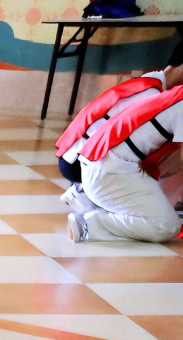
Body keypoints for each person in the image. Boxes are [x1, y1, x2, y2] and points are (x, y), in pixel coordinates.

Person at [67, 63, 183, 243]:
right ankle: (89, 224)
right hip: (108, 173)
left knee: (165, 196)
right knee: (168, 225)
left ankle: (88, 200)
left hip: (101, 165)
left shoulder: (174, 95)